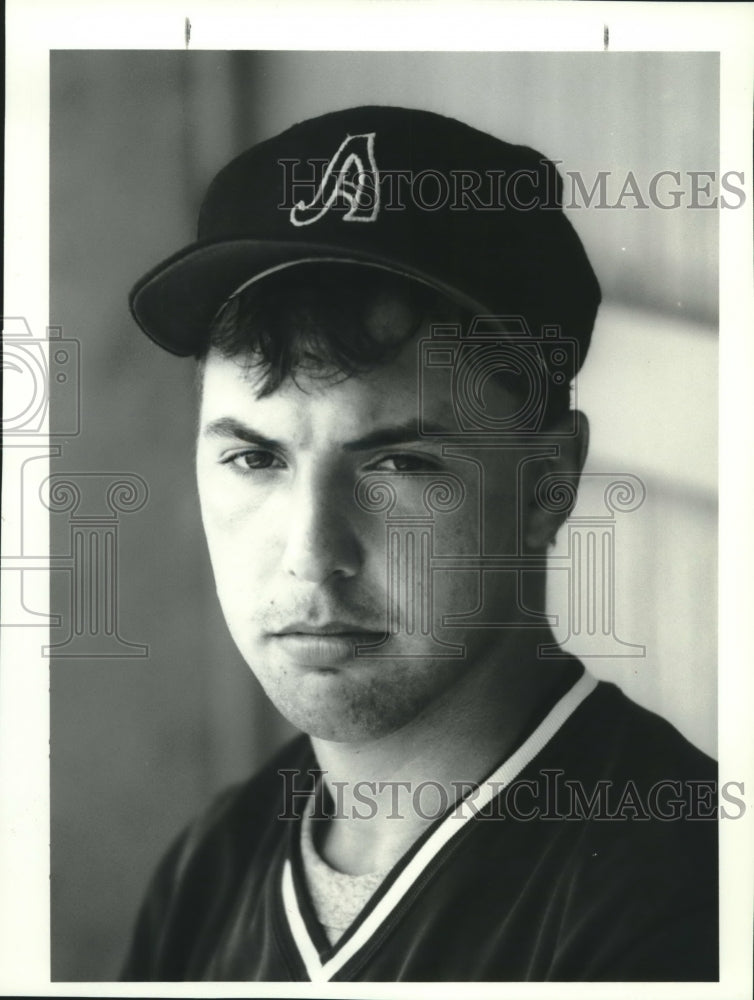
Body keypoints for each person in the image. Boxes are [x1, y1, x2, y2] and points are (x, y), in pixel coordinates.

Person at [121, 105, 717, 982]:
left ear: (546, 487)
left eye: (398, 461)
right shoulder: (208, 867)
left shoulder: (684, 885)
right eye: (256, 457)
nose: (311, 552)